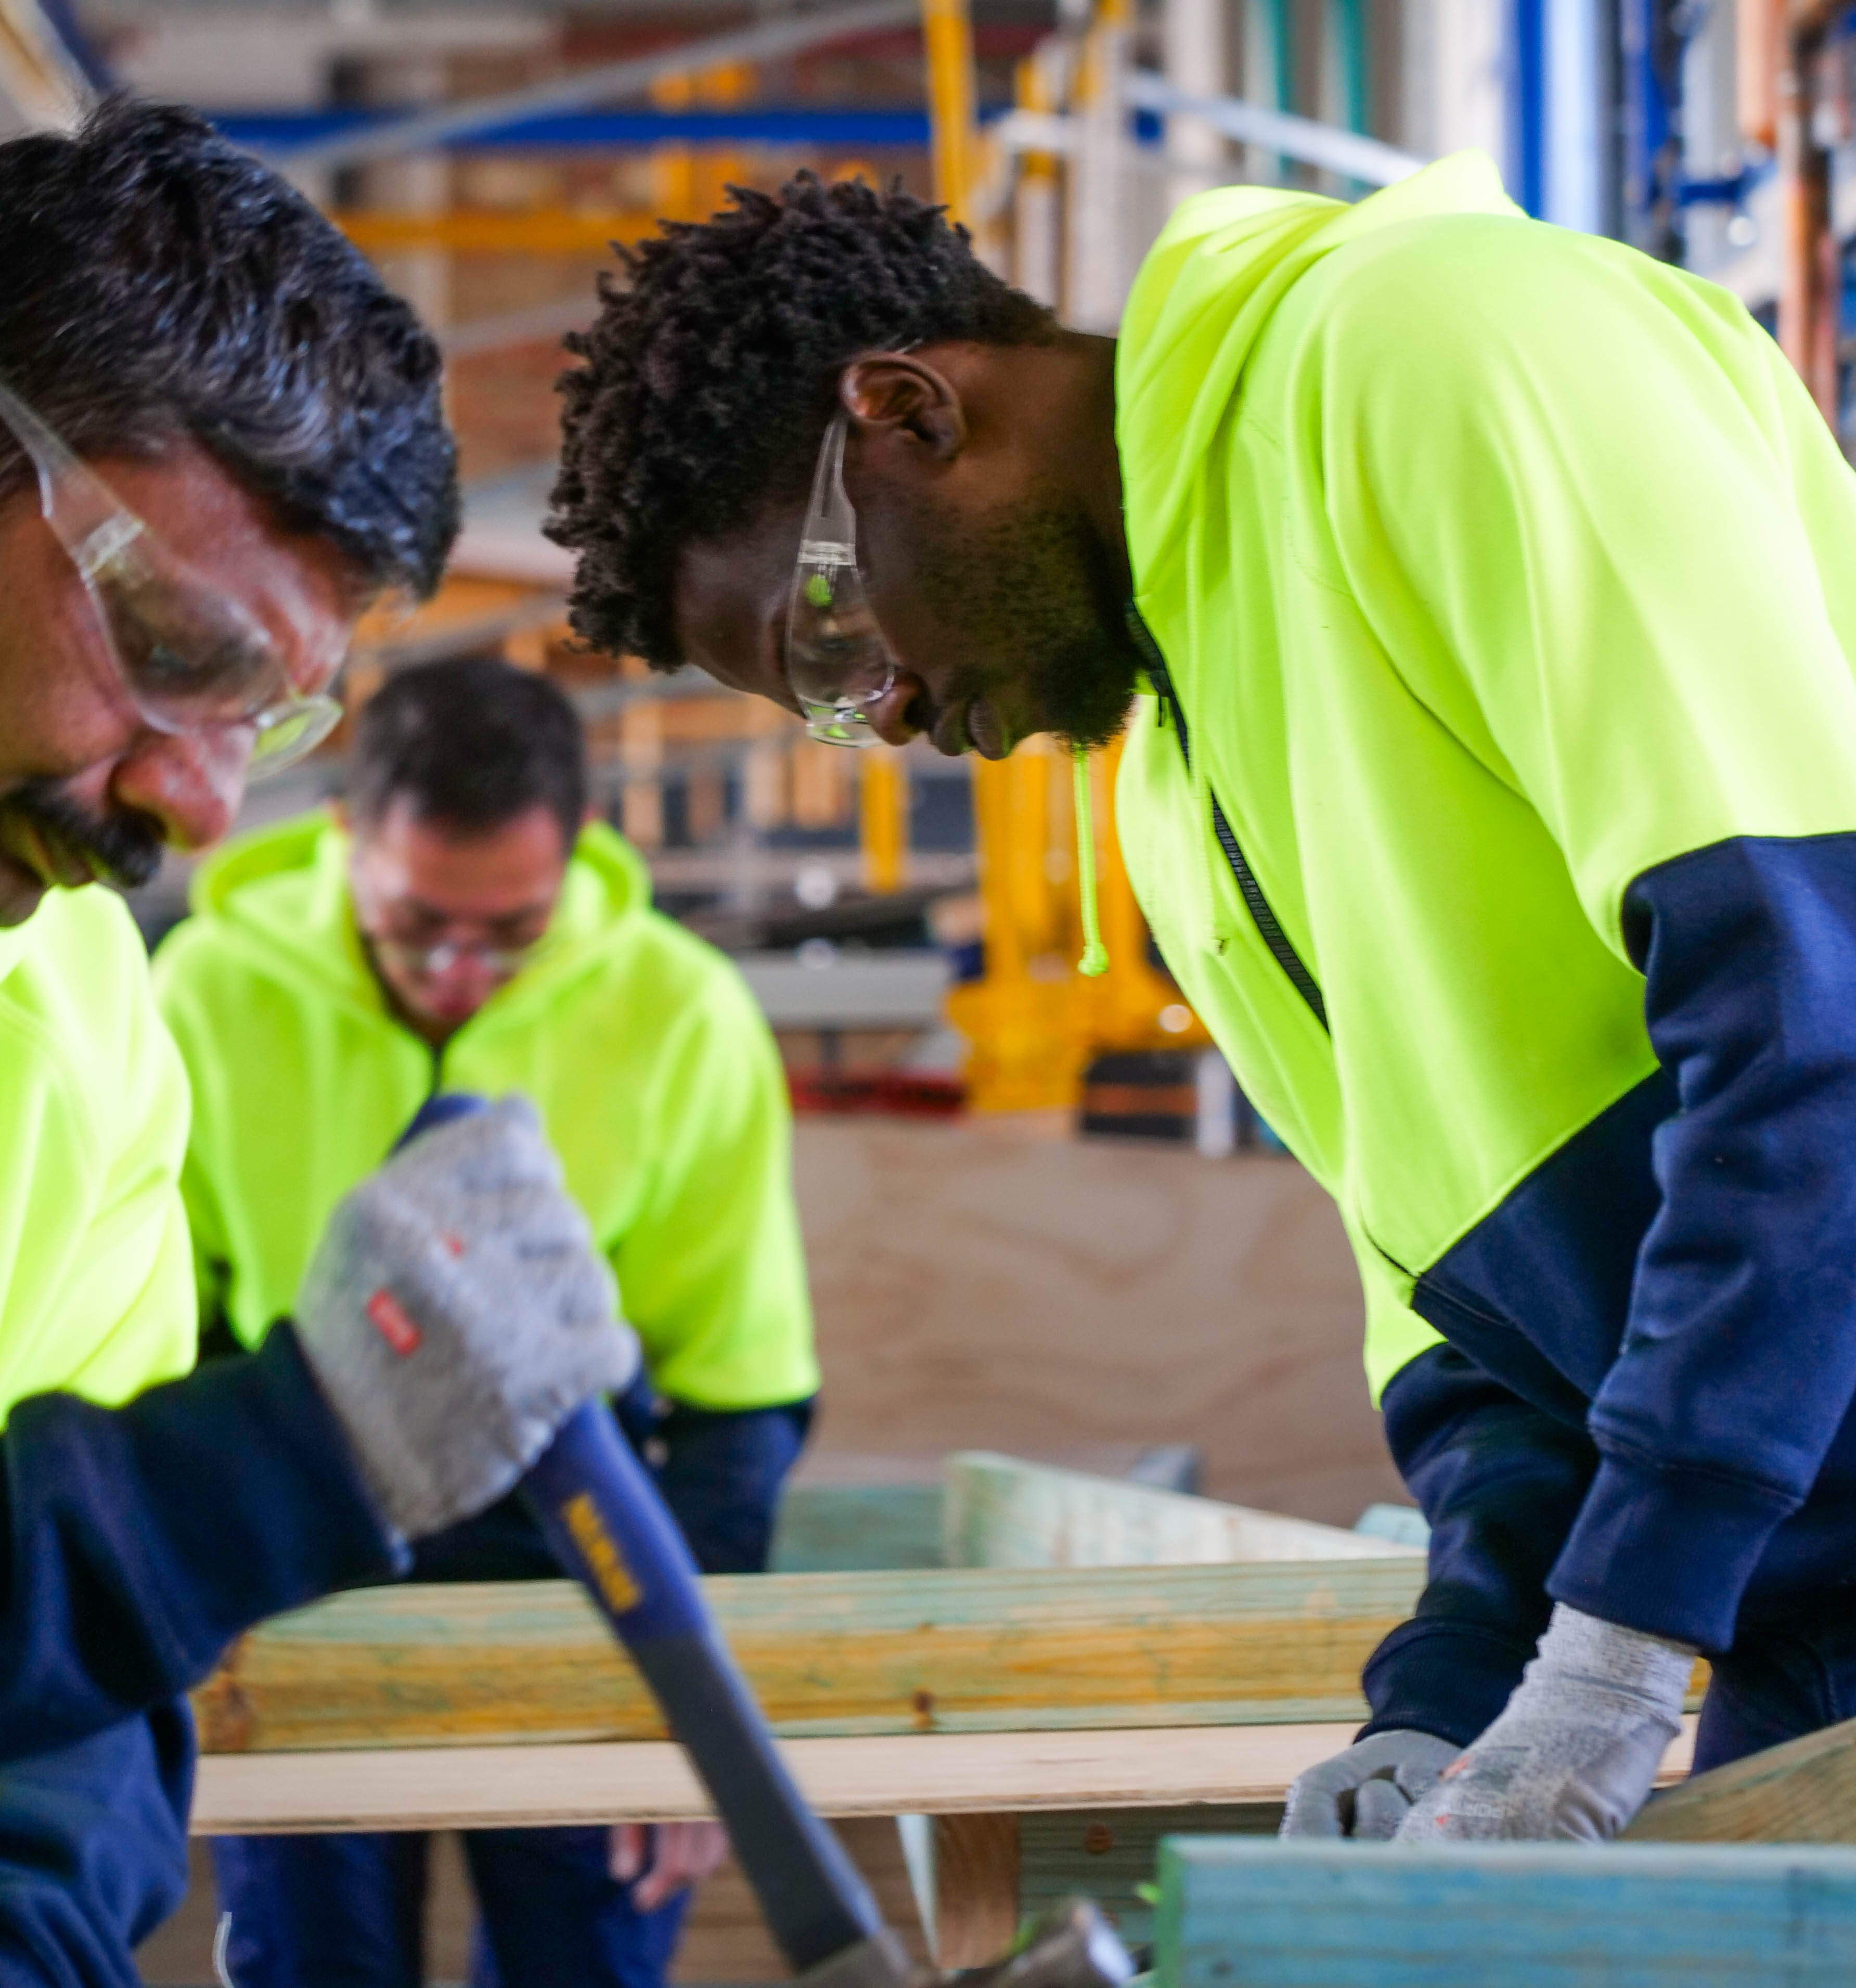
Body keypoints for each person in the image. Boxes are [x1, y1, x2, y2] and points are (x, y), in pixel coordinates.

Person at [544, 163, 1856, 1845]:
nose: (886, 711)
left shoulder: (1432, 347)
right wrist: (1453, 1683)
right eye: (827, 709)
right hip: (1790, 1604)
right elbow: (1462, 1312)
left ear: (906, 410)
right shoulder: (1171, 792)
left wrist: (1617, 1642)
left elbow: (1812, 1009)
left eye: (830, 642)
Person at [0, 97, 631, 1988]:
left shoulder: (84, 1011)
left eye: (260, 721)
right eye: (170, 649)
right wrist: (266, 1467)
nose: (196, 806)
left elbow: (65, 1733)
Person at [154, 652, 818, 1988]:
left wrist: (694, 1719)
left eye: (511, 930)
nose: (458, 970)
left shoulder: (683, 1017)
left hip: (587, 1581)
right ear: (345, 840)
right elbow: (172, 1344)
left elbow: (737, 1400)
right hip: (300, 1571)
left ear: (572, 854)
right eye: (416, 923)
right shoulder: (203, 997)